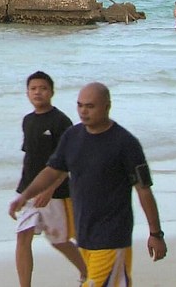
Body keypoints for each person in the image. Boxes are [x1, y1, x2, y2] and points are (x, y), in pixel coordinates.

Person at [9, 82, 167, 287]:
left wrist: (155, 234)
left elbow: (143, 190)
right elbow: (52, 170)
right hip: (85, 236)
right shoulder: (72, 137)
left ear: (107, 106)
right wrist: (25, 195)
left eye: (90, 106)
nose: (83, 111)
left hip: (112, 237)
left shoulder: (125, 143)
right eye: (80, 105)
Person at [13, 71, 86, 287]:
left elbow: (68, 162)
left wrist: (50, 189)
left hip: (56, 193)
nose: (38, 92)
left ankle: (87, 272)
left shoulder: (60, 121)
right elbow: (30, 156)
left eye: (43, 88)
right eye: (33, 89)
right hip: (29, 190)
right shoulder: (27, 120)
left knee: (59, 240)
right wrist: (22, 193)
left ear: (52, 92)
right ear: (27, 93)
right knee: (22, 236)